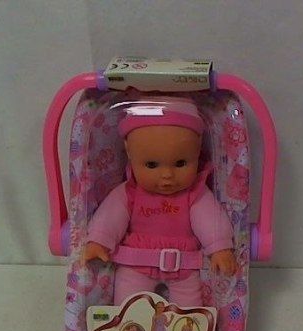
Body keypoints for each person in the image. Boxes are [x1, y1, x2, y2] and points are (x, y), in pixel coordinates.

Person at [84, 97, 237, 307]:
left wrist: (219, 247)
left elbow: (211, 220)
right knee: (129, 306)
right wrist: (99, 240)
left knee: (189, 311)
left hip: (184, 266)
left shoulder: (195, 194)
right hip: (135, 264)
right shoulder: (129, 192)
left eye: (180, 163)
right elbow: (110, 216)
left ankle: (189, 329)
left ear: (197, 151)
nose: (167, 175)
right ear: (129, 153)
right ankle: (129, 327)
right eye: (151, 165)